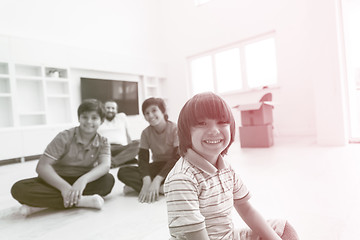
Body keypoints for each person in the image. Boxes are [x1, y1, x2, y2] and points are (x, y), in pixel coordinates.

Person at [164, 92, 299, 240]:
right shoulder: (182, 179)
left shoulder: (226, 168)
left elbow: (247, 210)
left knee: (283, 229)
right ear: (186, 131)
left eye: (221, 122)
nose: (214, 130)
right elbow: (195, 236)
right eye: (202, 123)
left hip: (227, 236)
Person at [11, 99, 115, 216]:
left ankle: (41, 206)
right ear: (79, 118)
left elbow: (105, 165)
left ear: (101, 121)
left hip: (80, 180)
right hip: (56, 180)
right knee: (19, 189)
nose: (89, 121)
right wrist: (64, 187)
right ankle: (82, 201)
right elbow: (42, 167)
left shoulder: (103, 141)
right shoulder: (64, 137)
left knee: (108, 180)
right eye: (84, 117)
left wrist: (83, 180)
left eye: (94, 118)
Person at [118, 97, 179, 203]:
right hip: (157, 165)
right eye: (146, 113)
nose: (150, 115)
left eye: (154, 110)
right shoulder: (145, 133)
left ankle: (154, 187)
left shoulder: (175, 129)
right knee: (123, 172)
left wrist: (157, 179)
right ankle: (162, 189)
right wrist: (146, 181)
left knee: (183, 178)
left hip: (174, 167)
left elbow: (177, 158)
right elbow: (143, 159)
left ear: (163, 111)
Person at [97, 100, 139, 168]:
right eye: (108, 108)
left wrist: (131, 147)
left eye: (113, 108)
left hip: (121, 148)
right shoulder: (98, 119)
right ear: (103, 109)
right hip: (105, 148)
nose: (110, 110)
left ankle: (112, 163)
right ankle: (123, 160)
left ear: (116, 110)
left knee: (140, 143)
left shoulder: (121, 118)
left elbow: (127, 134)